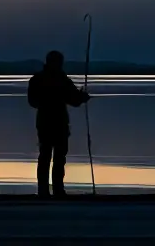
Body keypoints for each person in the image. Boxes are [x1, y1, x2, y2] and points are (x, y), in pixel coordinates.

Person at [27, 50, 90, 198]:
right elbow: (73, 100)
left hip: (45, 123)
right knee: (56, 157)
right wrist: (82, 97)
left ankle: (45, 191)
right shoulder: (62, 79)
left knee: (48, 156)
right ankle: (57, 191)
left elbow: (32, 102)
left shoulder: (37, 79)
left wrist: (80, 98)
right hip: (57, 123)